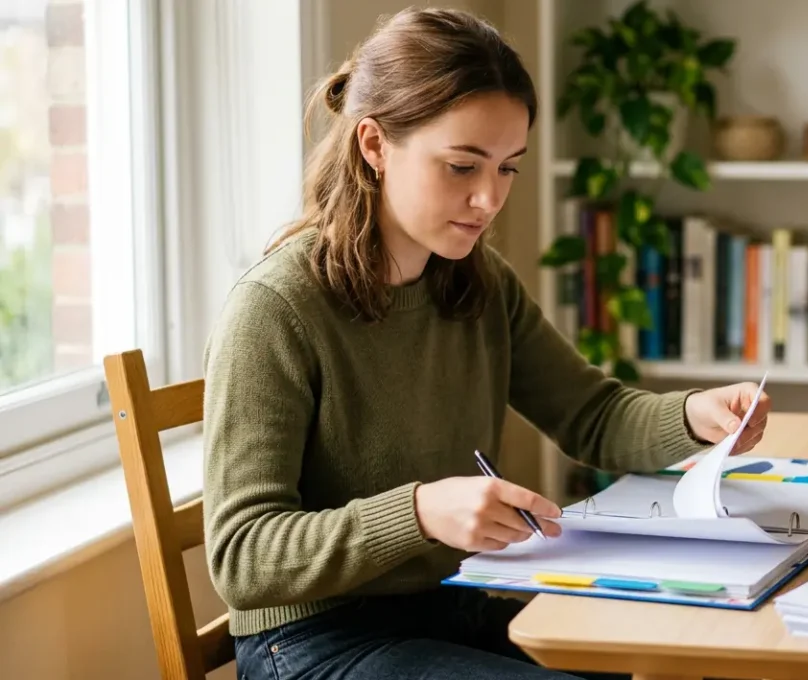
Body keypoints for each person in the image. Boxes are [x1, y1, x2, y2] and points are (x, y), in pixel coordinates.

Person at [201, 7, 770, 680]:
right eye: (462, 166)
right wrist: (418, 512)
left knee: (681, 655)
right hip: (312, 642)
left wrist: (692, 415)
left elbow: (592, 415)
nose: (488, 199)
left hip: (450, 610)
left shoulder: (478, 285)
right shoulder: (276, 310)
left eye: (507, 169)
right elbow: (240, 557)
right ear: (374, 145)